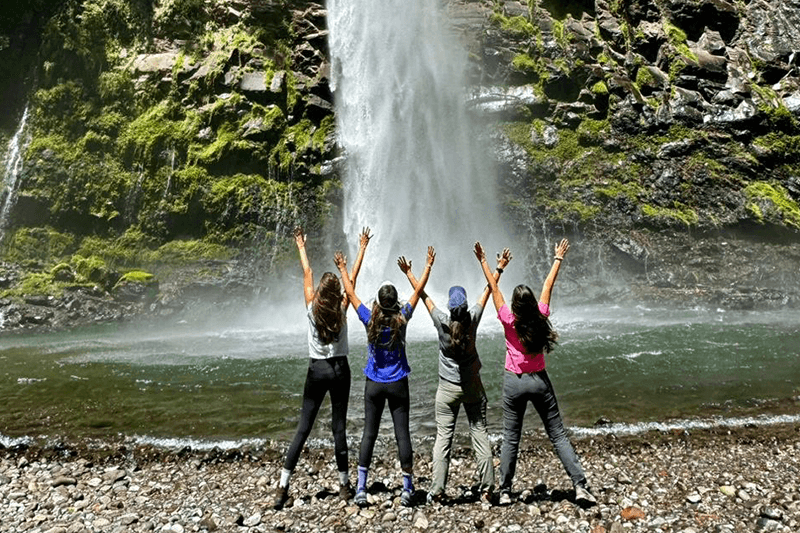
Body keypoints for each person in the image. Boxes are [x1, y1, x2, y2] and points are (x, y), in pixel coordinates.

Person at [474, 238, 596, 507]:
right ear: (531, 304)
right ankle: (580, 486)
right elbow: (548, 286)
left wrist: (489, 263)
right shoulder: (540, 315)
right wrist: (558, 259)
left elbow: (494, 289)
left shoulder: (508, 319)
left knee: (511, 437)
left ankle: (505, 491)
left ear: (515, 307)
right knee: (558, 434)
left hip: (514, 382)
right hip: (539, 381)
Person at [399, 248, 512, 505]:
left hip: (447, 389)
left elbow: (423, 296)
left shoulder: (441, 321)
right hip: (472, 386)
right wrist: (497, 267)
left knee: (443, 438)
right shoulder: (473, 318)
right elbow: (488, 291)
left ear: (450, 308)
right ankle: (487, 489)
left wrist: (412, 273)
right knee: (479, 432)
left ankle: (437, 490)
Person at [273, 226, 372, 511]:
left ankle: (282, 487)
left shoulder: (311, 308)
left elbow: (307, 274)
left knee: (303, 428)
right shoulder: (342, 308)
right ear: (338, 292)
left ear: (319, 293)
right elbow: (351, 282)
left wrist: (301, 246)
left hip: (317, 370)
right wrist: (360, 249)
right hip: (340, 370)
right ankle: (343, 486)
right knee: (338, 428)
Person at [334, 246, 435, 507]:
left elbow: (351, 294)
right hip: (398, 382)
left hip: (374, 383)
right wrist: (424, 268)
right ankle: (407, 488)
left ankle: (360, 488)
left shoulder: (369, 318)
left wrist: (343, 268)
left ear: (378, 302)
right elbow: (417, 293)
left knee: (369, 433)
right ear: (395, 301)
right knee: (403, 434)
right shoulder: (402, 319)